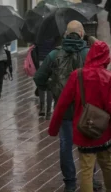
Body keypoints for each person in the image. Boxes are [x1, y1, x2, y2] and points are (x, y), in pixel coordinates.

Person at [34, 20, 102, 192]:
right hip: (87, 109)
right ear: (81, 34)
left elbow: (39, 78)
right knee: (89, 143)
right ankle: (91, 180)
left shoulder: (53, 55)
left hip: (64, 109)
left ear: (65, 35)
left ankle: (70, 183)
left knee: (65, 146)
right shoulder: (90, 53)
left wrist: (52, 86)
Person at [48, 38, 111, 192]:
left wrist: (54, 128)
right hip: (104, 132)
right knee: (108, 166)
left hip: (84, 130)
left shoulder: (78, 75)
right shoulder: (107, 77)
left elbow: (62, 103)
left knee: (87, 170)